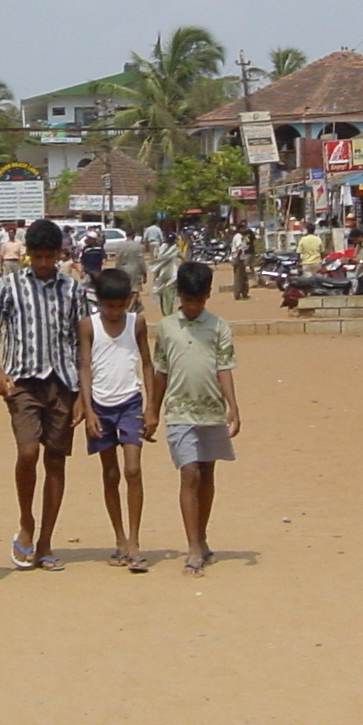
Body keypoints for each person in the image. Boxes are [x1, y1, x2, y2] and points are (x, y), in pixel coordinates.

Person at [0, 218, 91, 572]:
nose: (44, 264)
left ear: (60, 255)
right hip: (23, 382)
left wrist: (82, 397)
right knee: (28, 451)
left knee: (55, 460)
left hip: (63, 383)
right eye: (38, 257)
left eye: (50, 257)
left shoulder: (73, 290)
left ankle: (44, 541)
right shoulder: (9, 286)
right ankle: (26, 522)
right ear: (27, 254)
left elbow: (83, 343)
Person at [144, 261, 240, 578]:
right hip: (179, 413)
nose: (193, 307)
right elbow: (160, 371)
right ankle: (193, 547)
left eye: (199, 301)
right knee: (189, 475)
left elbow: (224, 368)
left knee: (207, 475)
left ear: (208, 296)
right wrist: (153, 410)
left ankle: (202, 535)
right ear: (178, 295)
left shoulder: (218, 327)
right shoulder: (168, 328)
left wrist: (233, 407)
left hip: (211, 412)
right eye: (188, 301)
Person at [78, 267, 154, 572]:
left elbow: (147, 364)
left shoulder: (137, 324)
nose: (114, 312)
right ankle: (120, 538)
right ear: (99, 302)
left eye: (120, 306)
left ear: (130, 301)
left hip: (130, 403)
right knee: (110, 474)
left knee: (133, 470)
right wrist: (88, 410)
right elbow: (84, 367)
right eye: (109, 306)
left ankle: (135, 540)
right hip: (100, 405)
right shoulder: (88, 326)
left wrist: (150, 409)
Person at [152, 230, 182, 318]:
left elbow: (155, 259)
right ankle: (167, 315)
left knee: (163, 295)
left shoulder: (160, 248)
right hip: (171, 276)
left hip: (162, 275)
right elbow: (183, 258)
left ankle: (166, 314)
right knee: (169, 296)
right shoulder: (175, 249)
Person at [228, 224, 252, 301]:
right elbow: (239, 246)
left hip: (240, 258)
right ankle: (237, 294)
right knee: (239, 277)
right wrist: (239, 256)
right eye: (243, 228)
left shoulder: (242, 236)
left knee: (244, 277)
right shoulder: (238, 236)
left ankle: (244, 293)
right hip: (238, 259)